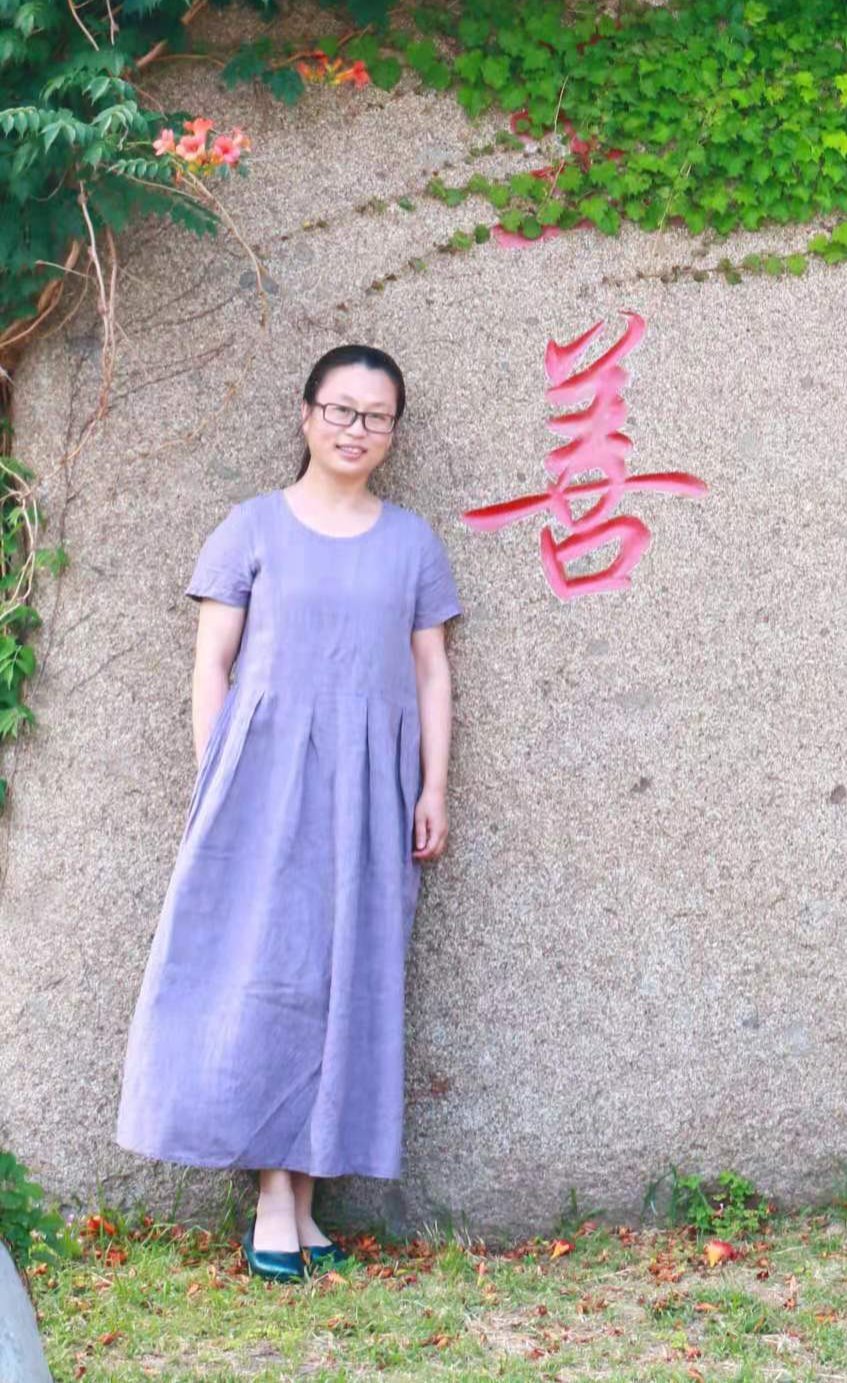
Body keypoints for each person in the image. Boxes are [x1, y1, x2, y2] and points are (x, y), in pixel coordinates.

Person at [114, 343, 464, 1282]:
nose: (356, 429)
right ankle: (275, 1196)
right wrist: (217, 774)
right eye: (340, 409)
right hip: (262, 783)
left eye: (376, 416)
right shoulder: (252, 527)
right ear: (306, 414)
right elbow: (211, 662)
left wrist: (432, 786)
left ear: (393, 433)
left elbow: (431, 671)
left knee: (345, 974)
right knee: (269, 970)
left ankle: (303, 1198)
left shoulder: (412, 543)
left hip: (371, 790)